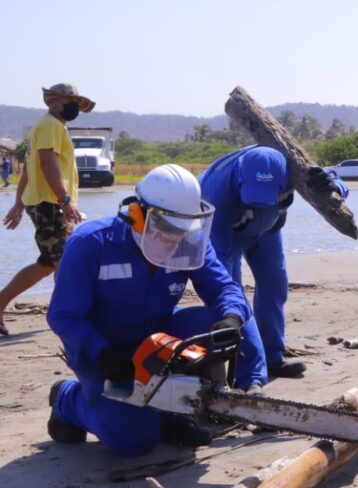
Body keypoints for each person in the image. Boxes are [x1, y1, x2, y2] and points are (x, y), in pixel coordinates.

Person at [45, 164, 269, 456]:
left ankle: (171, 410)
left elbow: (224, 289)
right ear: (137, 216)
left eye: (182, 229)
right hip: (104, 352)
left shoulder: (190, 243)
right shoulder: (91, 244)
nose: (174, 239)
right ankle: (68, 398)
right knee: (133, 440)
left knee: (217, 317)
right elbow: (63, 315)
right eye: (167, 229)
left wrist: (231, 318)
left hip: (157, 341)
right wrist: (102, 352)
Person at [199, 146, 348, 379]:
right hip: (227, 233)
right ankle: (246, 367)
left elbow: (334, 182)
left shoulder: (293, 169)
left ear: (283, 180)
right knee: (233, 296)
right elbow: (222, 279)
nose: (259, 203)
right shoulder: (215, 190)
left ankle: (272, 359)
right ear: (240, 179)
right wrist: (229, 307)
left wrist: (332, 186)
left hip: (269, 231)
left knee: (275, 287)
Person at [1, 83, 94, 337]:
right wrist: (65, 200)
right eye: (70, 101)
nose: (74, 106)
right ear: (54, 101)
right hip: (49, 203)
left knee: (49, 262)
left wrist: (19, 203)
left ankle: (2, 302)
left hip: (46, 202)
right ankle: (67, 316)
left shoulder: (48, 127)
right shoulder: (50, 126)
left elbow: (31, 169)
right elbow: (45, 163)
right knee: (63, 261)